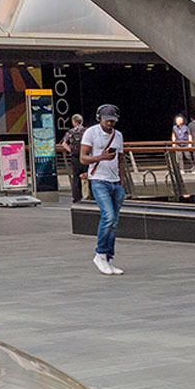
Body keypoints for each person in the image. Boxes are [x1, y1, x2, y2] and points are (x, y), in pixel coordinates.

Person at [80, 105, 125, 276]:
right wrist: (101, 157)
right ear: (100, 118)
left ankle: (108, 257)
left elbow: (121, 159)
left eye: (112, 119)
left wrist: (121, 181)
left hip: (115, 182)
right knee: (108, 216)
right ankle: (100, 254)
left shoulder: (118, 135)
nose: (110, 122)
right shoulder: (91, 133)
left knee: (114, 223)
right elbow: (83, 158)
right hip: (99, 180)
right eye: (107, 119)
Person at [58, 113, 87, 203]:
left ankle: (76, 197)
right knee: (87, 175)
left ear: (74, 122)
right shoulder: (86, 131)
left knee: (76, 177)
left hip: (75, 156)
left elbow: (63, 143)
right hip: (85, 155)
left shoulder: (71, 132)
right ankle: (87, 195)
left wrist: (70, 150)